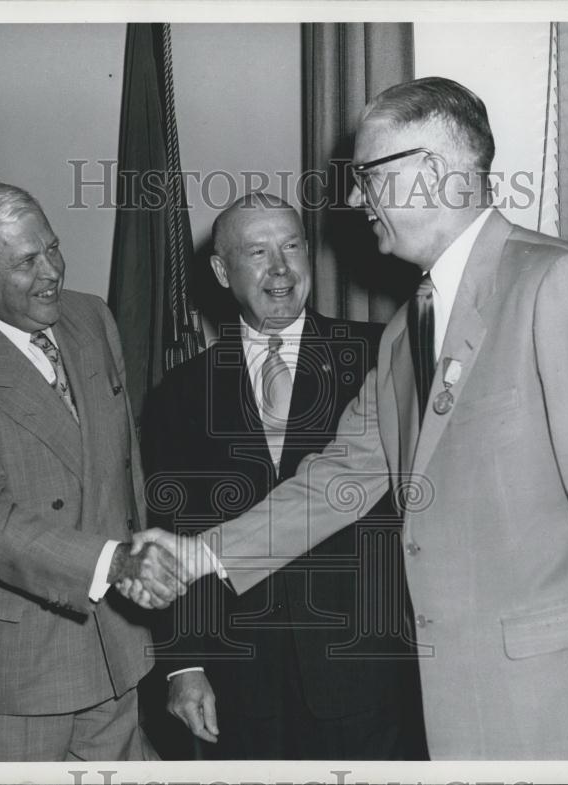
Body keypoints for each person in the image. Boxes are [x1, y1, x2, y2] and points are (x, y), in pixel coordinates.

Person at [129, 78, 568, 760]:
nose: (354, 199)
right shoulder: (406, 329)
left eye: (367, 176)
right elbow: (337, 479)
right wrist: (199, 554)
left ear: (429, 173)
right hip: (445, 694)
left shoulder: (559, 285)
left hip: (550, 696)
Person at [0, 181, 181, 761]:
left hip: (112, 644)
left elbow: (122, 469)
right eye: (25, 262)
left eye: (53, 248)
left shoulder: (90, 318)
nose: (53, 273)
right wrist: (114, 563)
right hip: (10, 674)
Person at [139, 193, 426, 760]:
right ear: (222, 271)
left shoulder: (379, 356)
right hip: (240, 679)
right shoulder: (180, 392)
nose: (280, 268)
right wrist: (185, 664)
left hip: (370, 668)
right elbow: (174, 527)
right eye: (258, 251)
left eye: (292, 246)